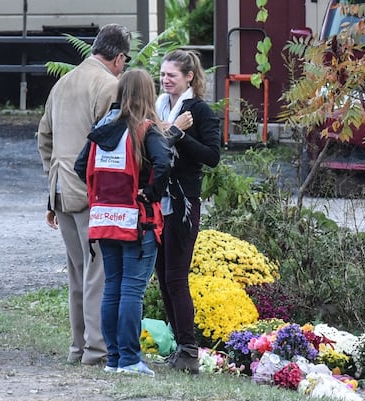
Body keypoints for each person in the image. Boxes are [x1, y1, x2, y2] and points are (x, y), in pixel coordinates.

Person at [37, 23, 131, 366]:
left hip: (60, 190)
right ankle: (96, 350)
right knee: (98, 273)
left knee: (78, 273)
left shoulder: (63, 82)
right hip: (92, 192)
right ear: (119, 57)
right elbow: (108, 142)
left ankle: (78, 348)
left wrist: (54, 177)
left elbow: (44, 137)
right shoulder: (109, 85)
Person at [75, 68, 173, 375]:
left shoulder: (102, 128)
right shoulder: (147, 129)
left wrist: (105, 193)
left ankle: (115, 358)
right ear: (148, 94)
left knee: (112, 287)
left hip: (105, 219)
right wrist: (150, 193)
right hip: (137, 221)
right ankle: (130, 359)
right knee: (132, 289)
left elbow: (80, 166)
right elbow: (164, 162)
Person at [154, 49, 221, 373]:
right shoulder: (159, 106)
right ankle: (178, 345)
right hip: (158, 202)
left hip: (183, 203)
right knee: (163, 277)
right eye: (163, 74)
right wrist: (169, 130)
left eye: (172, 75)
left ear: (189, 77)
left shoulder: (199, 111)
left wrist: (179, 135)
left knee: (176, 277)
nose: (165, 80)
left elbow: (212, 156)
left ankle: (189, 351)